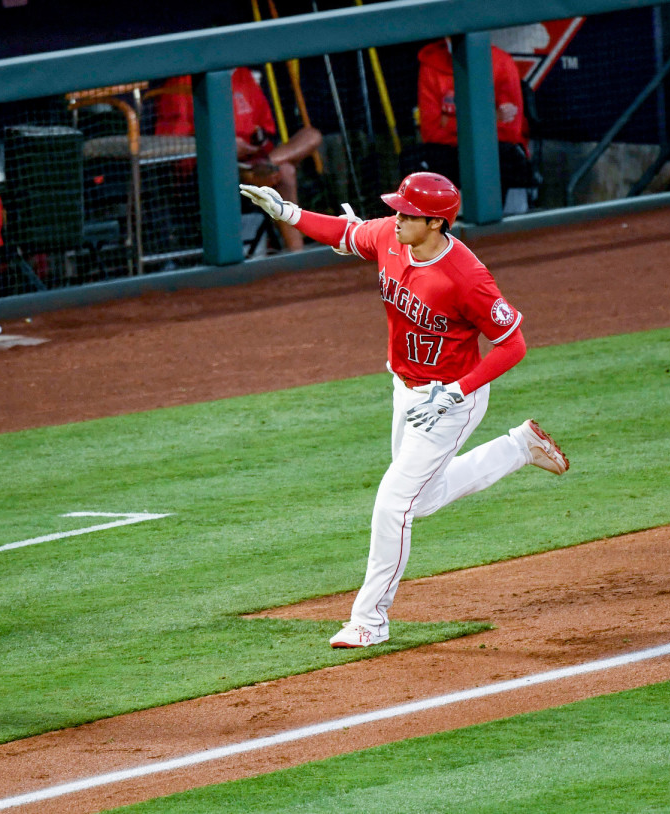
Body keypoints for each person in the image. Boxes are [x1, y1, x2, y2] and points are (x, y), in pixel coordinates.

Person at [240, 173, 568, 648]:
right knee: (424, 498)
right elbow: (345, 233)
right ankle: (520, 446)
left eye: (408, 213)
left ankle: (369, 620)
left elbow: (512, 344)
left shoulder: (467, 277)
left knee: (394, 504)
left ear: (436, 222)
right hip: (406, 389)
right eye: (396, 208)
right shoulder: (391, 238)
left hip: (451, 403)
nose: (396, 218)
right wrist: (289, 213)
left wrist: (458, 391)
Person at [155, 69, 322, 252]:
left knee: (311, 136)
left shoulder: (243, 75)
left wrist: (258, 149)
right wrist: (221, 144)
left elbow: (264, 130)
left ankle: (259, 167)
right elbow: (170, 142)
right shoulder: (181, 81)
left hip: (254, 161)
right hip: (210, 169)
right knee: (285, 172)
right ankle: (296, 252)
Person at [413, 38, 534, 212]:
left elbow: (510, 132)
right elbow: (431, 133)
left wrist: (449, 123)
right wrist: (491, 118)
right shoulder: (431, 66)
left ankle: (496, 230)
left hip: (496, 153)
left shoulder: (502, 63)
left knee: (503, 155)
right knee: (436, 157)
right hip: (448, 155)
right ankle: (447, 230)